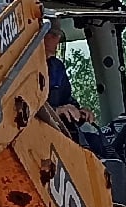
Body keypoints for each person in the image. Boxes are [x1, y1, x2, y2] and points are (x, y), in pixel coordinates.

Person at [43, 27, 114, 158]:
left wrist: (80, 111)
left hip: (61, 136)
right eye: (52, 33)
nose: (57, 39)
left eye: (59, 34)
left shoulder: (56, 67)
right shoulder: (16, 69)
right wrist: (55, 111)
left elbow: (66, 99)